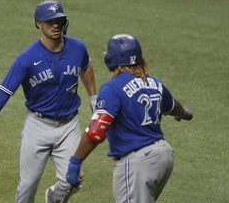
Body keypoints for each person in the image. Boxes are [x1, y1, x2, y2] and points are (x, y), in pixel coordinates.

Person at [0, 0, 97, 203]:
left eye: (59, 20)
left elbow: (86, 67)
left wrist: (93, 97)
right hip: (38, 126)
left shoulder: (77, 47)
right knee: (28, 185)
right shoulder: (27, 58)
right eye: (49, 21)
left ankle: (53, 197)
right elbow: (5, 89)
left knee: (73, 179)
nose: (55, 25)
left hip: (69, 125)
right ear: (38, 24)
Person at [66, 34, 193, 203]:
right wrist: (184, 114)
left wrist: (75, 162)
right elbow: (173, 106)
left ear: (112, 59)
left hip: (138, 162)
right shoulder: (154, 83)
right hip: (164, 157)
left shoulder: (113, 88)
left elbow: (96, 132)